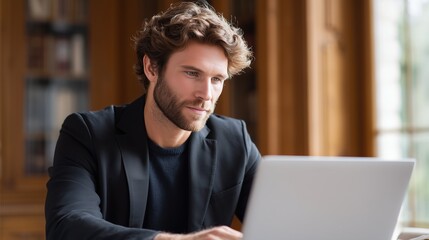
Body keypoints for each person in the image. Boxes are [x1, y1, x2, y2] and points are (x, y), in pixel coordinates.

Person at [45, 1, 261, 240]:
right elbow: (67, 225)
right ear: (151, 68)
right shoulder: (87, 134)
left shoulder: (234, 140)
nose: (206, 95)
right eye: (192, 73)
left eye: (217, 79)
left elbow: (277, 220)